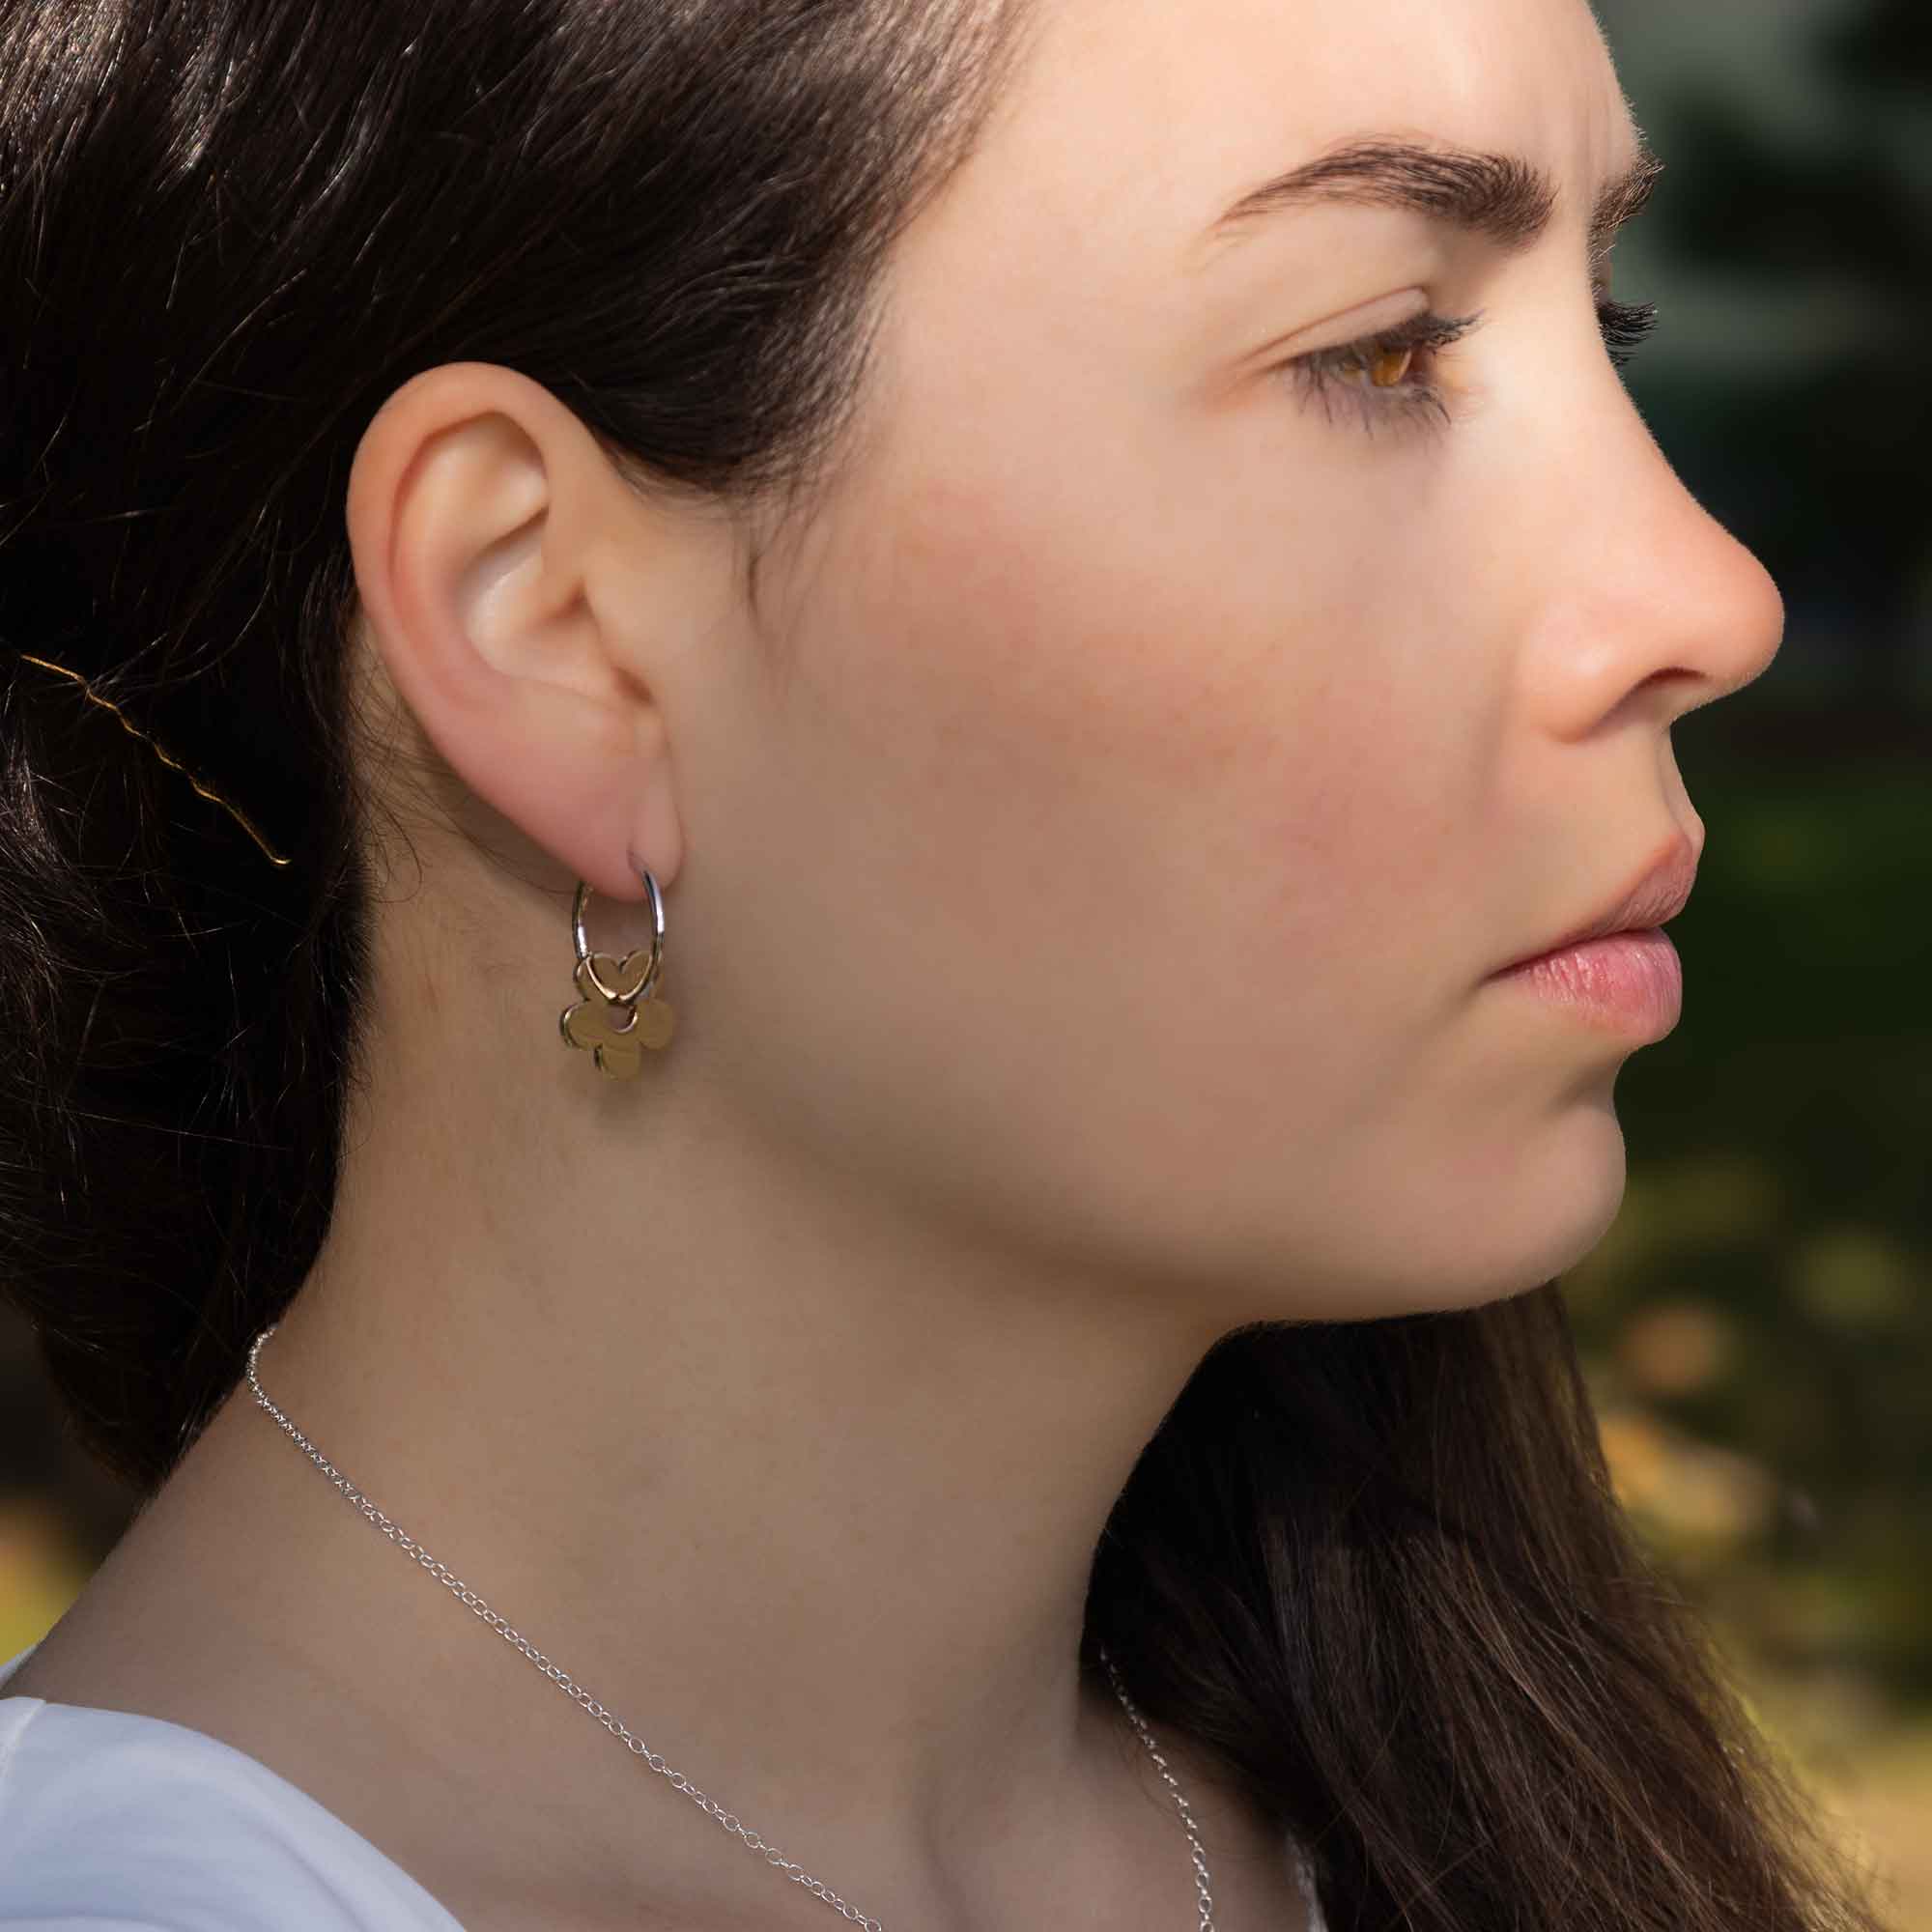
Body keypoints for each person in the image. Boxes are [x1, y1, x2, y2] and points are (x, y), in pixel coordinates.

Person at [0, 1, 1890, 1928]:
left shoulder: (1442, 1799)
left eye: (1608, 323)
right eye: (1379, 351)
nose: (1709, 597)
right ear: (556, 626)